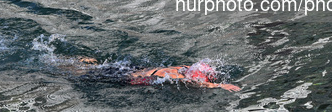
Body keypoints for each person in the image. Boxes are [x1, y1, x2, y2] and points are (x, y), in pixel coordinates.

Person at [57, 57, 241, 92]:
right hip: (129, 78)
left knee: (98, 66)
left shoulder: (182, 68)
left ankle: (74, 60)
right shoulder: (179, 77)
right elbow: (199, 84)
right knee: (86, 74)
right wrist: (220, 85)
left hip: (131, 68)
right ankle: (61, 66)